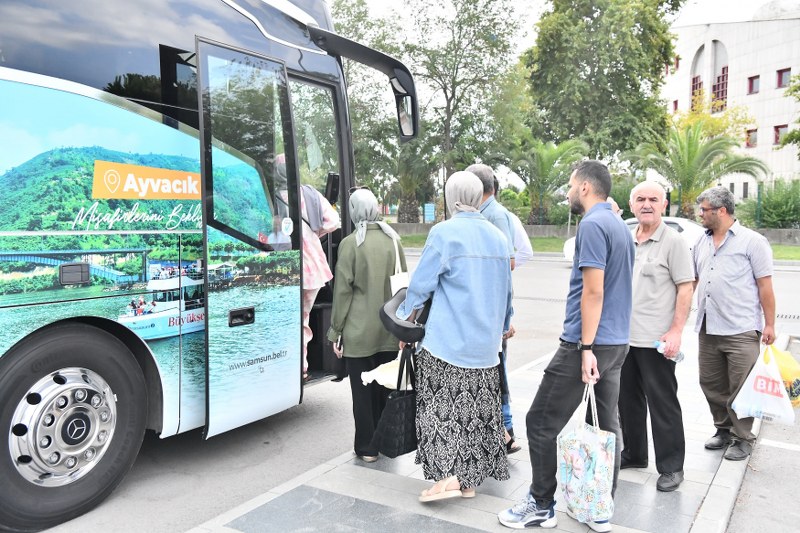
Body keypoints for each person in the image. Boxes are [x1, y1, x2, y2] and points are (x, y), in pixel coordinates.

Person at [498, 160, 634, 532]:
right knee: (606, 426)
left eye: (572, 186)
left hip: (586, 345)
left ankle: (541, 505)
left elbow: (594, 291)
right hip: (616, 343)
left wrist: (585, 347)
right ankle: (600, 507)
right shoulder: (619, 224)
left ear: (586, 187)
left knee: (540, 421)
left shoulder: (592, 224)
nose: (569, 193)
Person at [396, 170, 513, 501]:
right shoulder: (497, 237)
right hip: (485, 348)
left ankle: (446, 478)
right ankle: (467, 482)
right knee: (473, 414)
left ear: (451, 198)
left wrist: (405, 320)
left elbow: (421, 285)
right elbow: (507, 291)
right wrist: (504, 324)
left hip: (446, 343)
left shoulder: (444, 233)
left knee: (438, 410)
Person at [618, 181, 693, 492]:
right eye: (640, 199)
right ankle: (634, 453)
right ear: (631, 205)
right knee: (627, 401)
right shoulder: (626, 237)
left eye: (653, 199)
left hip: (656, 340)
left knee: (663, 403)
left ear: (664, 205)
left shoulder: (673, 241)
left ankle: (672, 467)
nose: (646, 204)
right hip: (624, 338)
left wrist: (676, 331)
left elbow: (685, 287)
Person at [693, 186, 775, 461]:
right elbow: (693, 280)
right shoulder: (701, 241)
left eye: (704, 209)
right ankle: (723, 430)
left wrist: (769, 325)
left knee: (741, 386)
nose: (700, 214)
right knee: (711, 383)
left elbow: (765, 286)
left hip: (741, 329)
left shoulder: (753, 242)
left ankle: (743, 437)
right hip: (708, 327)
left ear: (721, 211)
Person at [326, 188, 406, 463]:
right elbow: (404, 286)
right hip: (389, 328)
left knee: (362, 394)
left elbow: (343, 292)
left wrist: (335, 330)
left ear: (353, 211)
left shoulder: (350, 244)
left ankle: (367, 448)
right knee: (385, 389)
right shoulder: (394, 240)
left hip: (358, 331)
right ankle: (384, 443)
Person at [465, 163, 521, 454]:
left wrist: (504, 318)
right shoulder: (484, 214)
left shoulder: (495, 215)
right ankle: (501, 433)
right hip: (487, 308)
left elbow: (506, 263)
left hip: (492, 309)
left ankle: (506, 432)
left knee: (496, 372)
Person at [274, 154, 341, 381]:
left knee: (284, 320)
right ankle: (301, 368)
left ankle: (286, 365)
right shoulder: (309, 194)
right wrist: (314, 233)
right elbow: (333, 221)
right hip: (312, 266)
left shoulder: (271, 195)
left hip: (284, 265)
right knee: (302, 319)